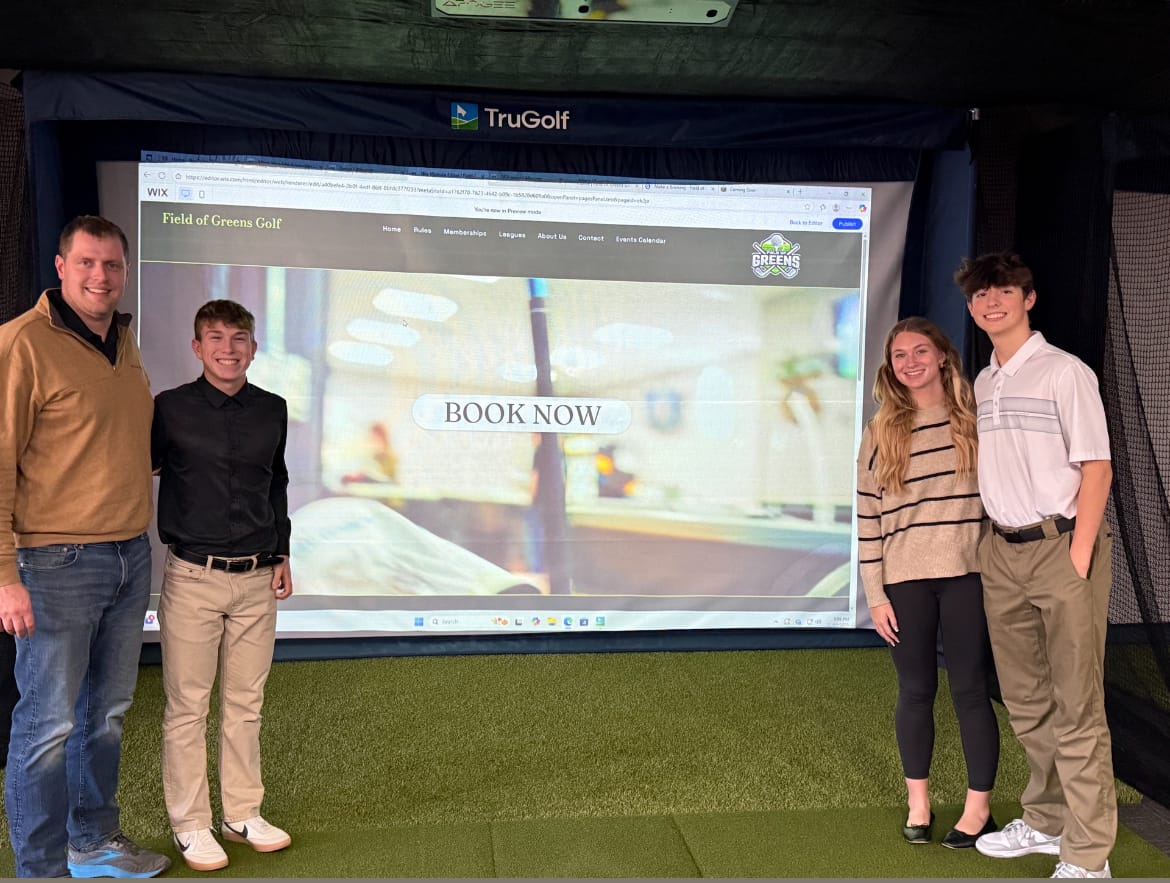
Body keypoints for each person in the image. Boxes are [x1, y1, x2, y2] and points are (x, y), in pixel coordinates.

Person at [0, 215, 170, 878]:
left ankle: (92, 841)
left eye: (113, 265)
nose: (101, 276)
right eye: (87, 263)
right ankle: (40, 869)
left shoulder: (123, 340)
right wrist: (5, 576)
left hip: (130, 553)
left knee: (106, 714)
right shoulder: (21, 343)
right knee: (47, 727)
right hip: (54, 564)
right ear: (60, 268)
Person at [956, 252, 1115, 879]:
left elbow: (1097, 467)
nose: (991, 302)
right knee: (1026, 700)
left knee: (1077, 705)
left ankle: (1089, 856)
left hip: (1061, 548)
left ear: (1028, 298)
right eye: (980, 295)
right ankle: (1047, 822)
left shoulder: (1064, 372)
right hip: (1002, 553)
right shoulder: (984, 381)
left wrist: (1078, 555)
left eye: (1003, 291)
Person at [152, 299, 294, 871]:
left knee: (245, 704)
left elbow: (277, 483)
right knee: (188, 707)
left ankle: (242, 813)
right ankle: (191, 823)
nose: (227, 349)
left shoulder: (273, 409)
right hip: (193, 577)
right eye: (215, 338)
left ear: (253, 349)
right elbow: (143, 470)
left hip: (258, 577)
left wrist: (282, 550)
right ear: (197, 347)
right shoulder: (169, 408)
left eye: (238, 339)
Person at [856, 317, 999, 848]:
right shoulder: (880, 430)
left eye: (920, 351)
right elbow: (868, 517)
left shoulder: (975, 419)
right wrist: (875, 596)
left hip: (967, 576)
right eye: (900, 355)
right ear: (890, 367)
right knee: (916, 691)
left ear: (942, 356)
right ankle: (919, 804)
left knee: (969, 689)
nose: (910, 362)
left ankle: (978, 810)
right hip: (904, 582)